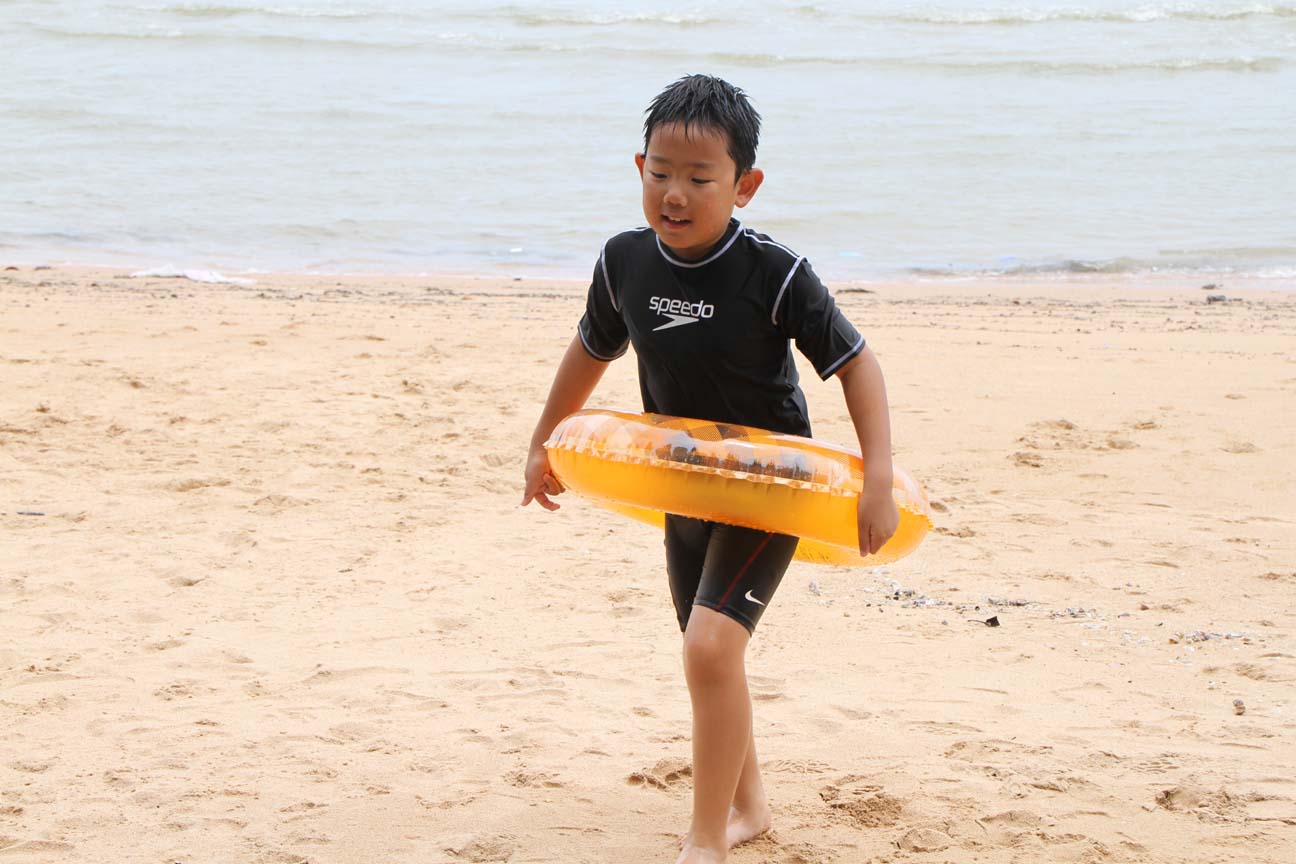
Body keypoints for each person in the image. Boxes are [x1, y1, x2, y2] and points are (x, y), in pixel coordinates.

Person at [521, 74, 898, 864]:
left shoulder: (774, 273)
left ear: (744, 186)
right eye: (660, 172)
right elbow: (591, 347)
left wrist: (876, 480)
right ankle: (749, 807)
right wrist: (541, 443)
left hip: (770, 491)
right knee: (708, 654)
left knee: (709, 650)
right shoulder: (624, 261)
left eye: (700, 178)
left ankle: (706, 843)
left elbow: (857, 364)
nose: (675, 194)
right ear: (639, 168)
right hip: (682, 480)